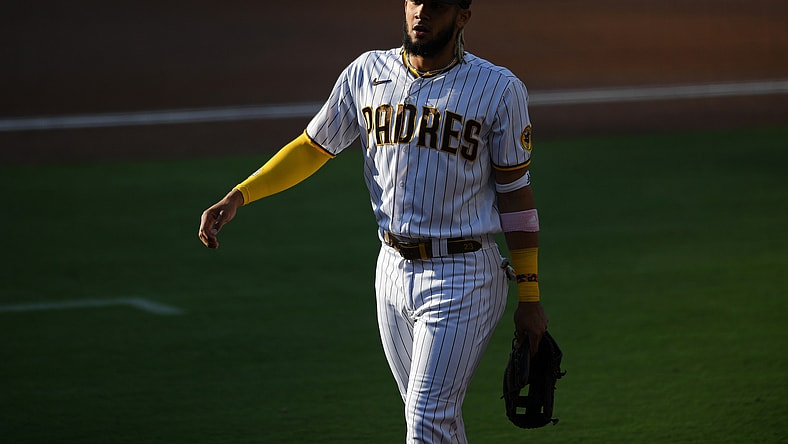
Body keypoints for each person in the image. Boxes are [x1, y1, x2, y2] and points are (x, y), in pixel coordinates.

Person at [198, 0, 549, 442]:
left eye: (436, 5)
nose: (421, 13)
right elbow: (312, 147)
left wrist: (530, 297)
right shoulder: (366, 73)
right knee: (432, 420)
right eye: (414, 1)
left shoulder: (498, 89)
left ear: (462, 16)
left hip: (464, 276)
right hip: (391, 271)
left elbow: (516, 196)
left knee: (426, 419)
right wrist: (240, 195)